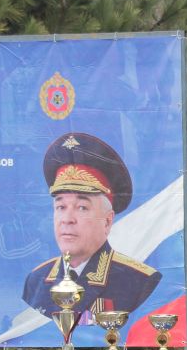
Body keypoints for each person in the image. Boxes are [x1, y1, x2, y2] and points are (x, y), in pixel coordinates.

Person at [22, 132, 161, 319]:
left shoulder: (139, 281)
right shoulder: (37, 281)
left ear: (107, 221)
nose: (67, 219)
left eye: (81, 207)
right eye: (61, 206)